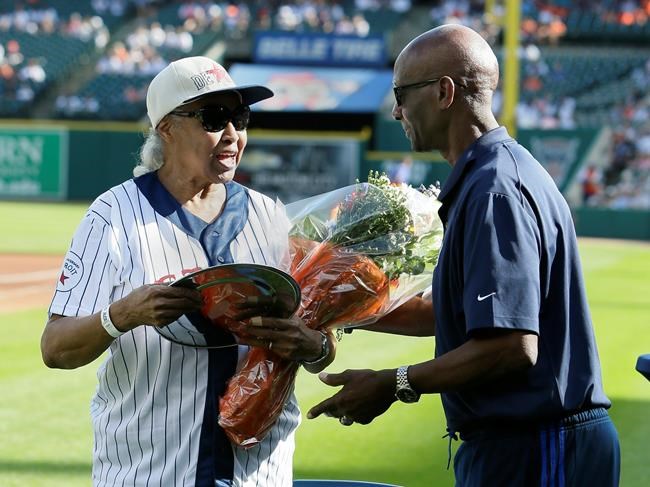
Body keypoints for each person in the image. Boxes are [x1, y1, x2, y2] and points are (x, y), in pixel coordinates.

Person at [307, 25, 620, 486]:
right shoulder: (488, 176)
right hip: (520, 446)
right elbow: (450, 317)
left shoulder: (494, 189)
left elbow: (511, 346)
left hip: (540, 446)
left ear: (443, 91)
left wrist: (394, 383)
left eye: (401, 93)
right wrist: (335, 306)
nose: (395, 111)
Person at [41, 56, 335, 487]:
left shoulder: (269, 216)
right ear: (167, 128)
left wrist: (314, 347)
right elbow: (55, 347)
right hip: (148, 473)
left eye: (240, 117)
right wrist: (121, 315)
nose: (233, 133)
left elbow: (320, 343)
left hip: (260, 474)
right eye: (214, 117)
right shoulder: (114, 215)